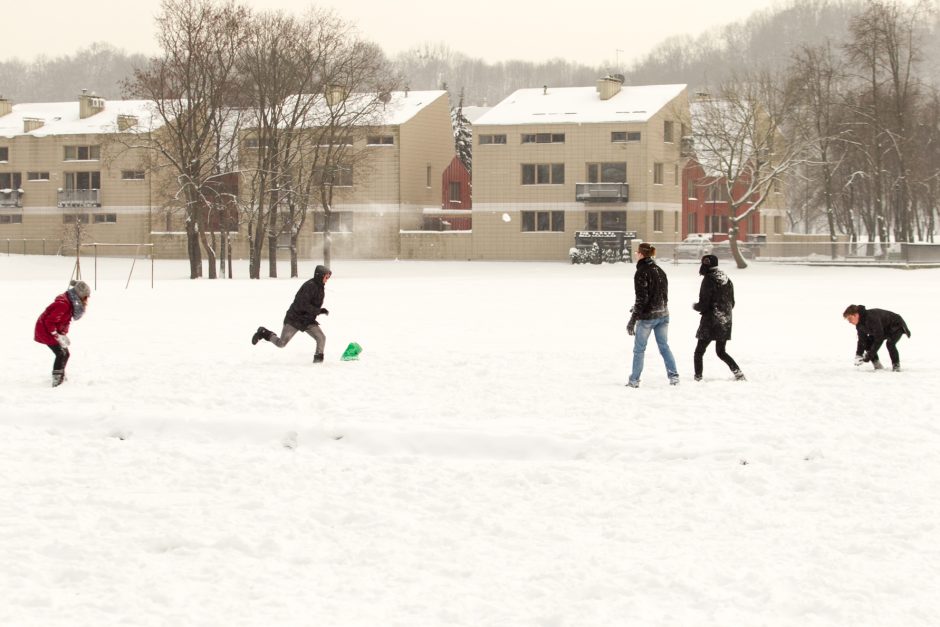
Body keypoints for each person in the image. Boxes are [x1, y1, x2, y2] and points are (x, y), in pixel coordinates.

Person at [252, 265, 331, 362]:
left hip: (307, 320)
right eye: (326, 277)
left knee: (321, 338)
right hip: (295, 319)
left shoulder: (320, 287)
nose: (327, 280)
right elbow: (303, 305)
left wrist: (319, 310)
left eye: (328, 277)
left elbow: (313, 305)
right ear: (320, 275)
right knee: (281, 343)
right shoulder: (309, 286)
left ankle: (318, 363)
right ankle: (264, 332)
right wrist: (319, 311)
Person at [626, 242, 679, 387]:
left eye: (637, 252)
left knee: (639, 349)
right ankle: (674, 376)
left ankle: (634, 380)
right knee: (664, 346)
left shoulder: (641, 272)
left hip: (648, 318)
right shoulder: (659, 270)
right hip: (663, 314)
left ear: (641, 254)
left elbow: (641, 298)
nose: (636, 254)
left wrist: (633, 319)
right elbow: (663, 295)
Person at [692, 254, 745, 382]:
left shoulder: (708, 279)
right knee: (721, 352)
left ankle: (698, 377)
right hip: (725, 320)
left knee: (699, 352)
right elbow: (732, 303)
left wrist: (696, 307)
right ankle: (738, 374)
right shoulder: (726, 279)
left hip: (711, 321)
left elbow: (704, 303)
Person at [35, 280, 91, 387]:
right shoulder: (63, 305)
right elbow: (49, 322)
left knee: (66, 353)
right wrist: (57, 336)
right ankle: (57, 380)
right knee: (61, 353)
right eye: (85, 297)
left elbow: (64, 321)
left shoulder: (70, 303)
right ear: (79, 295)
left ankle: (60, 375)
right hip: (45, 330)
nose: (86, 300)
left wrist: (63, 334)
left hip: (51, 330)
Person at [843, 304, 911, 372]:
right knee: (867, 342)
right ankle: (877, 365)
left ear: (856, 315)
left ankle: (896, 366)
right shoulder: (859, 324)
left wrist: (869, 355)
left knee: (890, 344)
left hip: (896, 326)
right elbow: (862, 340)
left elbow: (879, 339)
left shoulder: (871, 318)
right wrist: (859, 354)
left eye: (850, 318)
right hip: (884, 329)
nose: (849, 322)